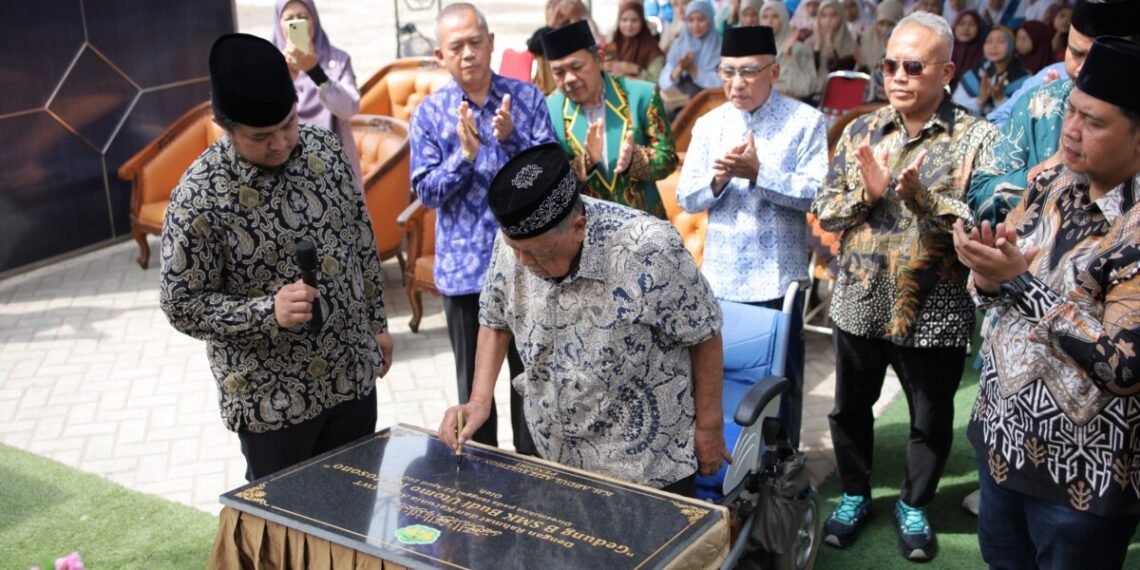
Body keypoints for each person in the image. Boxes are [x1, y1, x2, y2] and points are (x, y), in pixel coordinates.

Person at [159, 33, 393, 481]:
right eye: (261, 136)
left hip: (351, 377)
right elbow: (181, 303)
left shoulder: (324, 150)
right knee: (289, 536)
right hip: (273, 401)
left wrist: (377, 324)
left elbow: (360, 239)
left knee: (356, 519)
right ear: (224, 125)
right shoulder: (199, 196)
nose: (281, 143)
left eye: (288, 124)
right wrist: (268, 311)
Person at [437, 143, 730, 496]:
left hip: (645, 471)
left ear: (579, 227)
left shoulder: (648, 249)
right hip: (554, 457)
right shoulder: (514, 243)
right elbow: (495, 316)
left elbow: (704, 333)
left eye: (538, 253)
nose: (524, 262)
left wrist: (710, 428)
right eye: (516, 250)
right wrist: (478, 401)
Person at [812, 12, 999, 561]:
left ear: (945, 72)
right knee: (850, 411)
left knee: (930, 418)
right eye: (889, 64)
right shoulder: (861, 129)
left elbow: (982, 219)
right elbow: (826, 208)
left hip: (934, 309)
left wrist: (921, 199)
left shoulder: (977, 139)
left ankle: (914, 505)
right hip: (858, 303)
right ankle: (852, 495)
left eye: (912, 66)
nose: (897, 76)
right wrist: (867, 196)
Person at [953, 36, 1140, 569]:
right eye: (1072, 112)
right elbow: (997, 290)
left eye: (1095, 122)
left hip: (1083, 472)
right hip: (1001, 440)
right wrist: (988, 272)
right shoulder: (1054, 183)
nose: (1071, 132)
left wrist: (1019, 282)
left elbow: (1123, 366)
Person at [409, 3, 557, 455]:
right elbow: (426, 192)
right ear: (441, 56)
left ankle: (535, 484)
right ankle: (482, 489)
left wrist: (512, 138)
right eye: (458, 47)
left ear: (492, 43)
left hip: (529, 268)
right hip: (466, 275)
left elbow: (552, 172)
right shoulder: (431, 114)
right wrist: (465, 157)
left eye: (477, 42)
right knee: (475, 393)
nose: (469, 53)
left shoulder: (526, 99)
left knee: (531, 386)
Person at [676, 25, 828, 449]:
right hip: (721, 280)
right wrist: (720, 178)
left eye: (748, 72)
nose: (736, 83)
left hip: (777, 281)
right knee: (719, 381)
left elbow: (816, 194)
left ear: (774, 71)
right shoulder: (709, 124)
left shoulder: (805, 122)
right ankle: (726, 462)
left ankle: (785, 474)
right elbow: (689, 197)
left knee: (782, 385)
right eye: (727, 72)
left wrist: (759, 174)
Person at [970, 0, 1140, 227]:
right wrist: (1050, 168)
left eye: (1099, 60)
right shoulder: (1038, 104)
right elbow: (979, 196)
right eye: (1077, 53)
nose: (1084, 70)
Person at [543, 21, 678, 218]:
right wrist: (586, 162)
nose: (569, 78)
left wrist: (635, 159)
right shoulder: (550, 111)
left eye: (576, 66)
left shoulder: (641, 95)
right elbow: (551, 185)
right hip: (588, 234)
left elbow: (668, 159)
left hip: (646, 228)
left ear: (599, 58)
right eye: (559, 72)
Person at [271, 0, 362, 182]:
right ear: (278, 23)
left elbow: (349, 108)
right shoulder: (269, 62)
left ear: (314, 20)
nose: (296, 24)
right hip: (285, 168)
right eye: (289, 19)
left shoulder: (337, 61)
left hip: (333, 168)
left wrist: (315, 71)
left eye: (303, 18)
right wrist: (284, 75)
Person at [952, 25, 1027, 115]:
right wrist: (980, 100)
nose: (994, 47)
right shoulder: (973, 75)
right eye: (989, 41)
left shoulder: (1023, 80)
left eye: (1001, 41)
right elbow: (954, 108)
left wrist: (1000, 99)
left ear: (1012, 44)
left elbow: (1023, 115)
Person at [660, 1, 724, 96]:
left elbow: (722, 83)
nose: (695, 25)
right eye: (690, 20)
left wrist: (693, 70)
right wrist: (679, 69)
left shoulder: (721, 47)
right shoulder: (679, 45)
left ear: (710, 19)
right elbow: (663, 83)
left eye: (701, 20)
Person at [765, 0, 824, 100]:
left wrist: (789, 57)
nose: (769, 21)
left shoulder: (800, 48)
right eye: (765, 17)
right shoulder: (759, 50)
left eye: (775, 16)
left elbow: (805, 89)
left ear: (784, 18)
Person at [606, 1, 667, 84]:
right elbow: (606, 68)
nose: (629, 25)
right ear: (619, 22)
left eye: (634, 20)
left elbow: (656, 83)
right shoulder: (614, 42)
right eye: (624, 20)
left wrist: (636, 69)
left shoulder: (653, 50)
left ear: (642, 22)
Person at [858, 0, 905, 101]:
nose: (884, 30)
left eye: (890, 24)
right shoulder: (866, 39)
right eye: (881, 23)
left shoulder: (904, 48)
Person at [811, 0, 858, 99]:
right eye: (824, 16)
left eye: (833, 15)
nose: (828, 20)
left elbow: (842, 73)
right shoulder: (810, 42)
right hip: (812, 95)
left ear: (841, 17)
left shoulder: (850, 43)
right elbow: (809, 72)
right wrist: (817, 48)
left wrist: (831, 47)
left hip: (840, 96)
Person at [950, 10, 986, 90]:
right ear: (955, 27)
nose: (966, 28)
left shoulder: (985, 52)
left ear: (979, 28)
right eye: (962, 24)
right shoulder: (944, 49)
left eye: (972, 24)